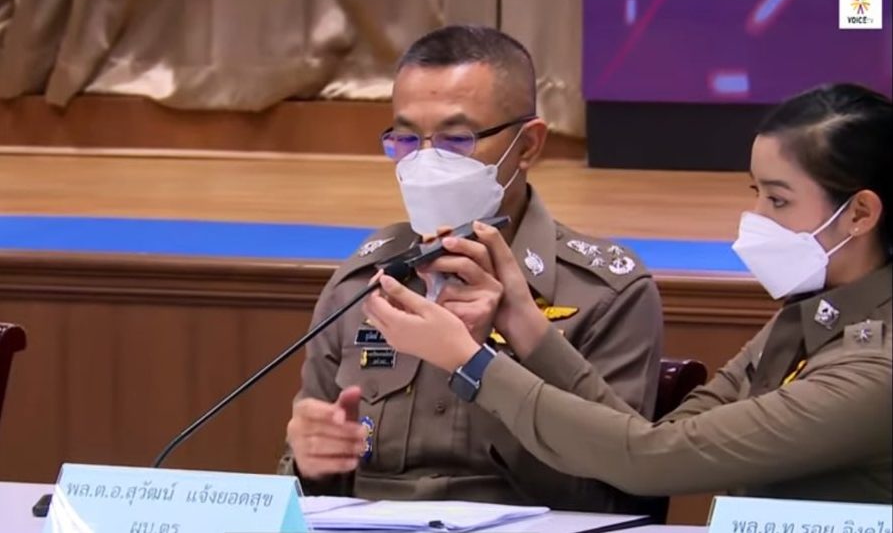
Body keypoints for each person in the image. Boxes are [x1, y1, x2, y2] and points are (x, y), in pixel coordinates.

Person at [363, 83, 893, 502]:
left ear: (861, 213)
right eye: (756, 194)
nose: (754, 220)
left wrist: (472, 364)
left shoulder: (876, 366)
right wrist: (521, 318)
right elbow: (641, 436)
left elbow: (652, 461)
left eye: (778, 201)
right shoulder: (804, 319)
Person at [277, 25, 665, 512]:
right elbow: (303, 490)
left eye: (455, 140)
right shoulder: (362, 283)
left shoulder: (605, 293)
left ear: (526, 146)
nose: (423, 162)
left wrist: (497, 361)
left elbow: (617, 484)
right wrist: (311, 465)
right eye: (405, 138)